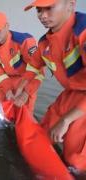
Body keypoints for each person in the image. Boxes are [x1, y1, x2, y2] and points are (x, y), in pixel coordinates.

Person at [22, 0, 86, 174]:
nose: (42, 15)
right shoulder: (45, 43)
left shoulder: (83, 31)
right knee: (42, 136)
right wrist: (21, 91)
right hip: (71, 93)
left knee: (76, 162)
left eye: (49, 8)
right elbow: (33, 67)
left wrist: (66, 120)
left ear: (70, 5)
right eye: (39, 10)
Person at [0, 12, 44, 113]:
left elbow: (39, 70)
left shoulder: (25, 41)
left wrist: (26, 93)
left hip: (27, 78)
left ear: (7, 26)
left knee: (23, 108)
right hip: (8, 79)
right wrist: (8, 91)